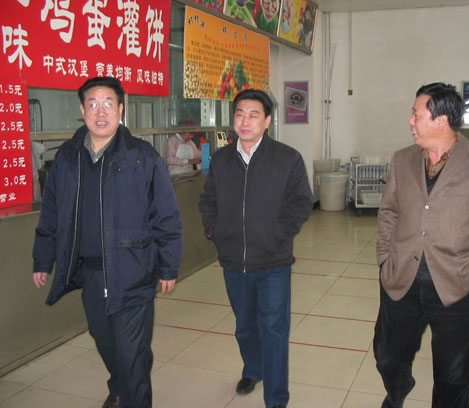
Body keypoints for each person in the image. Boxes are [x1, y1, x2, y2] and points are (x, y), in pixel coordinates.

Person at [32, 76, 183, 408]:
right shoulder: (68, 158)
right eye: (93, 104)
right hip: (90, 272)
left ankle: (131, 394)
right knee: (104, 340)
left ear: (121, 109)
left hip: (133, 271)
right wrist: (43, 259)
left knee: (132, 353)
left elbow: (166, 216)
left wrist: (168, 266)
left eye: (108, 104)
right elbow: (51, 212)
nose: (101, 112)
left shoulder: (142, 157)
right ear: (82, 110)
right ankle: (119, 385)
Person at [375, 82, 469, 408]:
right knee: (388, 355)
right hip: (401, 280)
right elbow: (389, 212)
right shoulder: (402, 160)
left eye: (416, 114)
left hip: (460, 286)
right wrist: (384, 259)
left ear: (441, 120)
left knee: (454, 374)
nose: (410, 121)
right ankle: (397, 391)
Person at [199, 89, 312, 408]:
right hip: (234, 261)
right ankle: (253, 369)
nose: (245, 121)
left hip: (273, 261)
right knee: (245, 325)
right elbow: (208, 199)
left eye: (253, 115)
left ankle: (276, 399)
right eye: (239, 114)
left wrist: (279, 234)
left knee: (274, 329)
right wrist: (215, 230)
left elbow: (301, 203)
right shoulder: (222, 159)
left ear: (267, 121)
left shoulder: (287, 158)